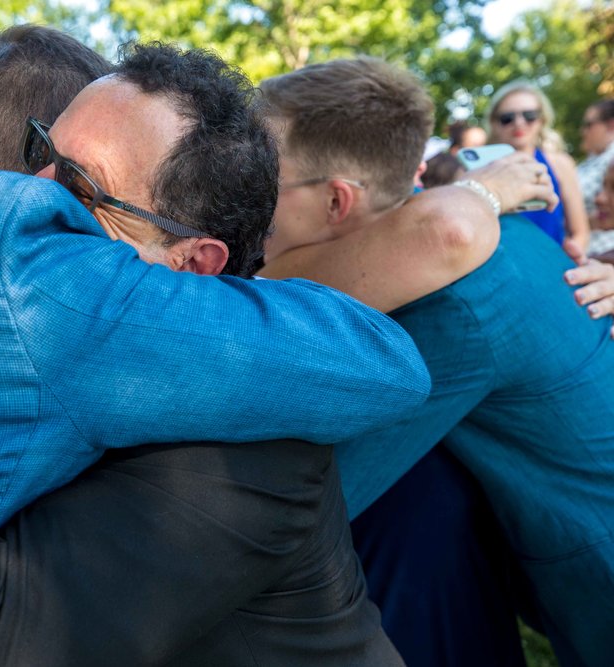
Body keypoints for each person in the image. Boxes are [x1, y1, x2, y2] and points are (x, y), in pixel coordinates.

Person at [0, 36, 438, 666]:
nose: (33, 192)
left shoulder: (22, 289)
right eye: (37, 150)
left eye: (81, 186)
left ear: (195, 264)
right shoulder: (16, 281)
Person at [258, 58, 614, 666]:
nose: (241, 199)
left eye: (258, 181)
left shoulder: (450, 306)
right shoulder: (486, 238)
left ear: (337, 201)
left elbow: (309, 505)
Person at [486, 80, 590, 250]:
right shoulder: (481, 169)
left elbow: (580, 232)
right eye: (507, 118)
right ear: (494, 123)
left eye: (529, 115)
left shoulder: (560, 164)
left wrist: (568, 261)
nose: (519, 123)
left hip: (551, 267)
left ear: (542, 120)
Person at [578, 99, 614, 252]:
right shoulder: (593, 161)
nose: (583, 131)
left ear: (611, 125)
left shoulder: (609, 159)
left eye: (589, 124)